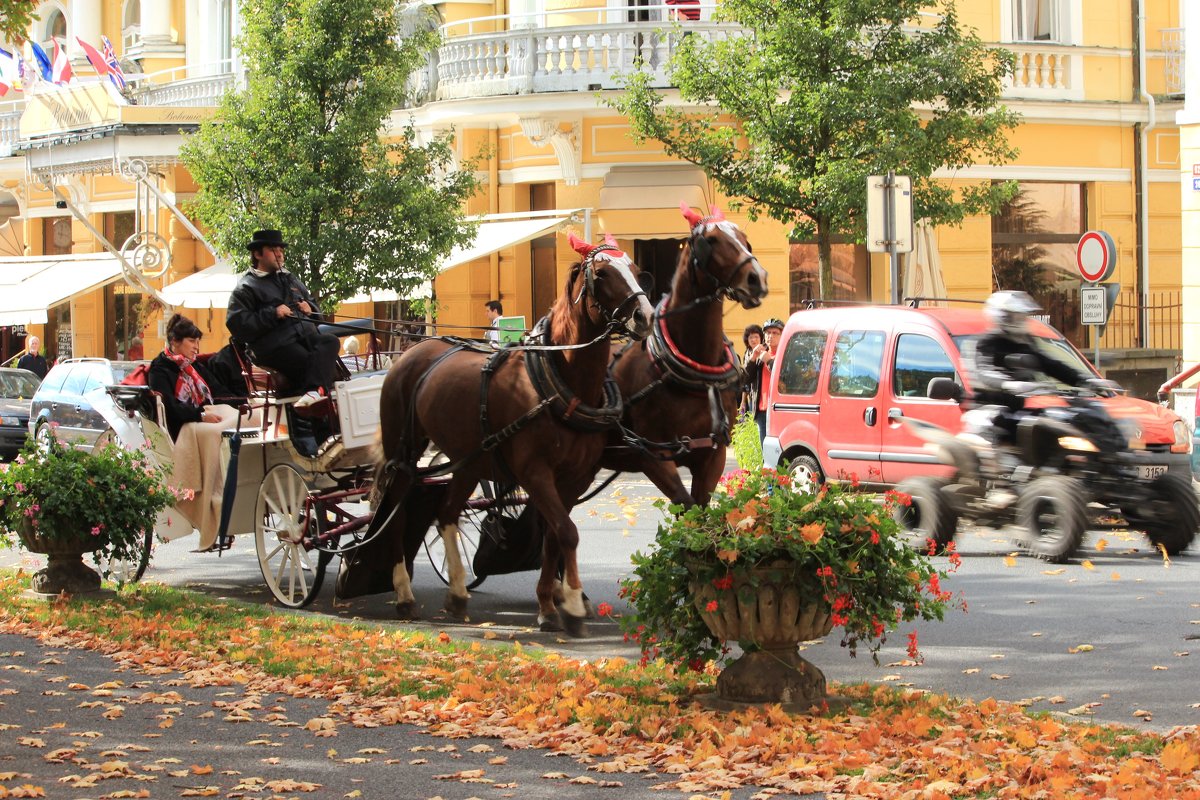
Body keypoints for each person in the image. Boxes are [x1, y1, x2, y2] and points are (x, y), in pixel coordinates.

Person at [147, 314, 249, 552]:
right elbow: (171, 408)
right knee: (216, 430)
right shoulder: (159, 370)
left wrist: (240, 404)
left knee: (244, 418)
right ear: (175, 342)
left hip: (207, 417)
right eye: (192, 341)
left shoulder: (195, 367)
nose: (196, 346)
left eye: (197, 341)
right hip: (185, 427)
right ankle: (216, 498)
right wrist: (200, 415)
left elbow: (218, 391)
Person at [965, 290, 1116, 447]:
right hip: (991, 410)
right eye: (1016, 315)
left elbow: (1050, 364)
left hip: (1018, 411)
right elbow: (984, 371)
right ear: (1003, 316)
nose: (1022, 320)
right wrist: (1008, 384)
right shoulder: (987, 342)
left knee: (1055, 423)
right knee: (999, 436)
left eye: (1023, 315)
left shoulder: (1026, 341)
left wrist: (1086, 381)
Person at [226, 229, 339, 409]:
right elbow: (238, 326)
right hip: (275, 346)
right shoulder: (246, 288)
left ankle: (313, 395)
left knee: (330, 342)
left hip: (304, 337)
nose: (279, 253)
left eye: (281, 249)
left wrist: (311, 309)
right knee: (309, 362)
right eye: (273, 249)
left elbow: (315, 308)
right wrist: (273, 313)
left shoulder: (290, 279)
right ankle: (317, 408)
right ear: (257, 254)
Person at [745, 318, 784, 443]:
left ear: (782, 335)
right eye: (767, 333)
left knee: (780, 449)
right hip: (762, 410)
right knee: (765, 452)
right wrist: (752, 359)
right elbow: (745, 379)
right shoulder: (760, 355)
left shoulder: (786, 354)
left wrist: (770, 361)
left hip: (779, 410)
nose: (770, 336)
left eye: (775, 333)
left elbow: (786, 378)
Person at [739, 323, 764, 414]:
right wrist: (743, 401)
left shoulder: (765, 351)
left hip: (763, 397)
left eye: (756, 337)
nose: (753, 340)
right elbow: (746, 380)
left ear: (761, 338)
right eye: (750, 337)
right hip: (752, 397)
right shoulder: (747, 354)